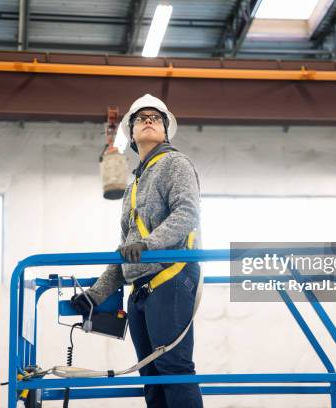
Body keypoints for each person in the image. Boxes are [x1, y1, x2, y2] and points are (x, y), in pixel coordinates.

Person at [71, 94, 203, 408]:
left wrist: (148, 245)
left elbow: (186, 214)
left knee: (173, 369)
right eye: (140, 118)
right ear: (131, 133)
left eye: (154, 118)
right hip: (141, 291)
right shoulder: (133, 184)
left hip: (169, 278)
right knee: (151, 374)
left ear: (165, 130)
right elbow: (125, 248)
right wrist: (96, 295)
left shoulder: (175, 163)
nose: (147, 121)